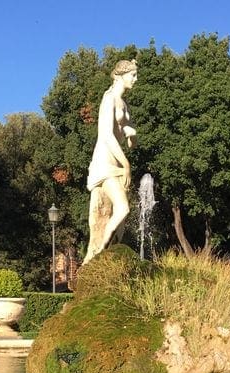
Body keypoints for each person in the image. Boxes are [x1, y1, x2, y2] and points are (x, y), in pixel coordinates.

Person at [84, 59, 138, 263]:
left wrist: (132, 135)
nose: (135, 79)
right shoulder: (108, 99)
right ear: (120, 75)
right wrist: (126, 165)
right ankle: (99, 254)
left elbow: (131, 143)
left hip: (116, 163)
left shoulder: (124, 104)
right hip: (105, 163)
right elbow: (106, 135)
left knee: (120, 219)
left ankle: (107, 252)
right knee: (123, 208)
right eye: (132, 75)